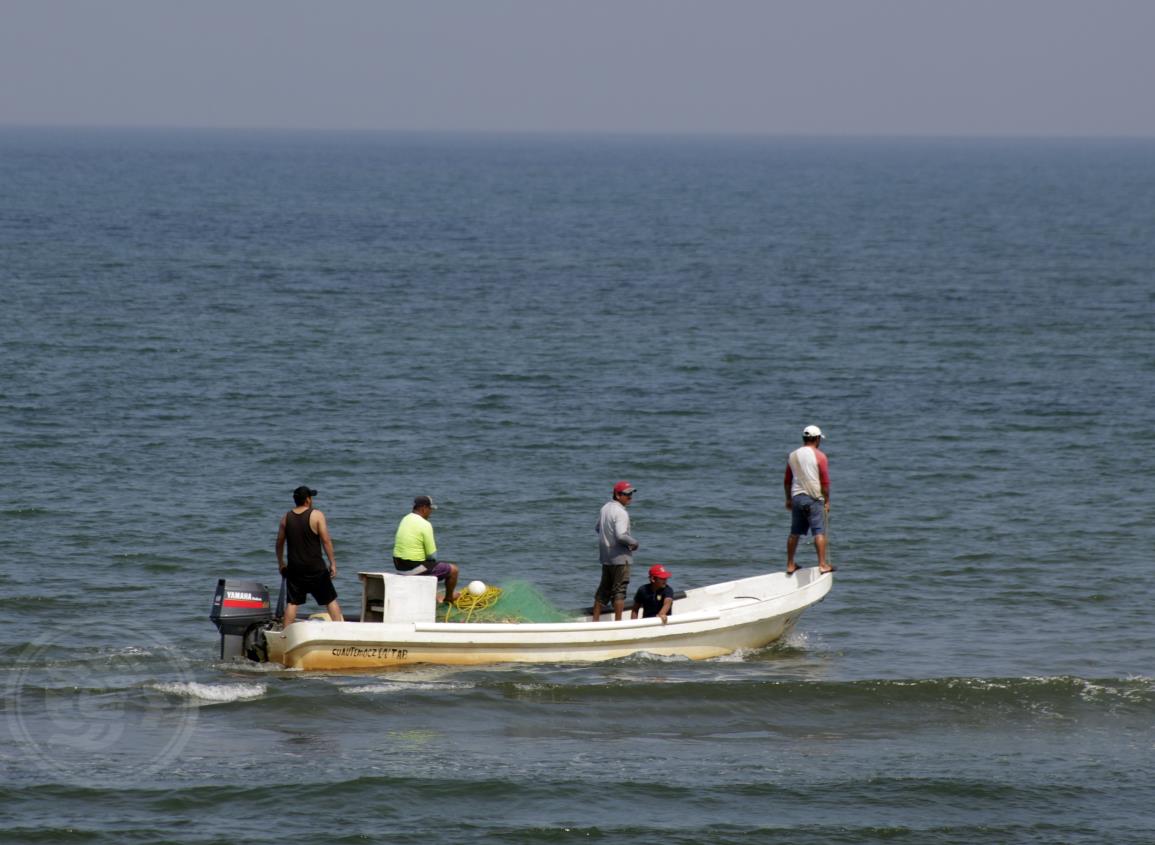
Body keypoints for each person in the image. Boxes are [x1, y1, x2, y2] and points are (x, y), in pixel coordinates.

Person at [275, 485, 344, 625]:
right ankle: (339, 629)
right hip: (315, 568)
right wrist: (333, 563)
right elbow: (326, 541)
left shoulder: (286, 518)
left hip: (295, 568)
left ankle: (285, 635)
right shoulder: (316, 515)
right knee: (330, 600)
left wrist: (281, 563)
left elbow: (279, 543)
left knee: (292, 603)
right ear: (307, 500)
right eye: (311, 497)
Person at [784, 425, 836, 575]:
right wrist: (827, 500)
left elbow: (787, 480)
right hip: (814, 498)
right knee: (819, 532)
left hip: (797, 498)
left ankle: (790, 565)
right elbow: (825, 482)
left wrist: (788, 499)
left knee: (794, 533)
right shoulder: (820, 456)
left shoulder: (792, 456)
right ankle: (822, 565)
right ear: (817, 438)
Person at [392, 495, 460, 605]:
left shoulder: (405, 519)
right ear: (424, 508)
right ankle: (449, 599)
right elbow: (432, 556)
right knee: (453, 570)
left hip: (399, 566)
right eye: (430, 509)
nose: (431, 513)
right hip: (412, 568)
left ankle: (431, 596)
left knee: (430, 566)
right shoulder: (425, 524)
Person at [593, 480, 639, 622]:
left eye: (631, 493)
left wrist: (607, 540)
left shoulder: (605, 508)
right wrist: (634, 543)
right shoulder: (621, 512)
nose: (630, 497)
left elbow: (597, 528)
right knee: (620, 591)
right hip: (620, 557)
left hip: (606, 557)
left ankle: (595, 622)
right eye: (627, 494)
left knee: (603, 590)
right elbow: (621, 535)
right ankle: (618, 623)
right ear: (617, 495)